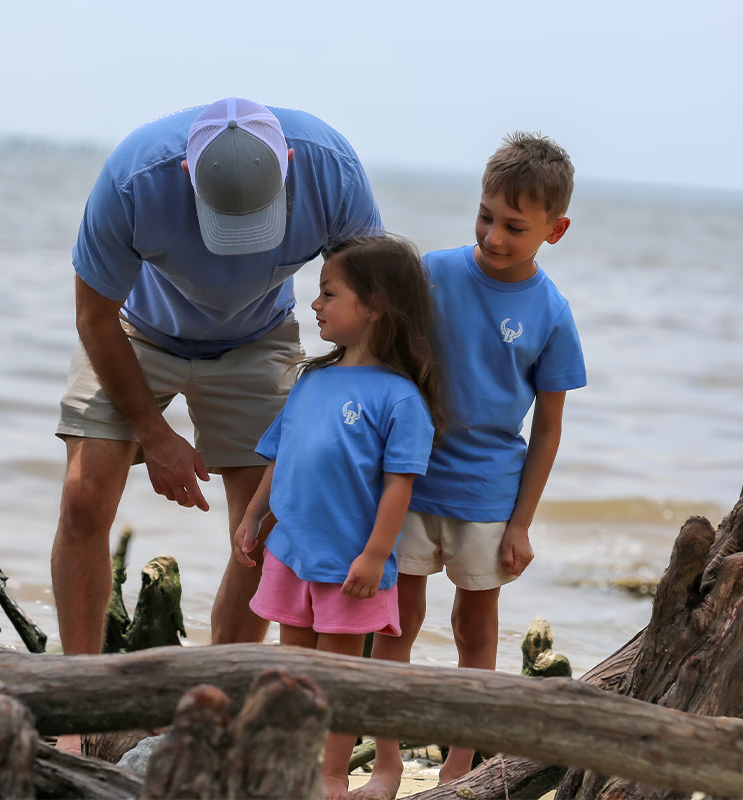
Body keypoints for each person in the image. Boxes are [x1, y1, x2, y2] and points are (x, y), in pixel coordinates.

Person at [51, 98, 381, 749]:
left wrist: (341, 408)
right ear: (187, 174)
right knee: (84, 497)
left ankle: (212, 711)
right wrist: (155, 434)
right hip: (135, 333)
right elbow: (93, 318)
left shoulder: (331, 169)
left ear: (287, 165)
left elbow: (370, 303)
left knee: (272, 519)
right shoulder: (133, 178)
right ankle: (74, 707)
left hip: (260, 339)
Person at [353, 133, 586, 799]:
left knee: (474, 630)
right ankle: (388, 763)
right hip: (411, 482)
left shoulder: (551, 313)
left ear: (555, 230)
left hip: (489, 494)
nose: (494, 235)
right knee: (394, 622)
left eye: (515, 226)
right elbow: (386, 363)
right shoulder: (431, 273)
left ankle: (461, 768)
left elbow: (547, 427)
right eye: (486, 216)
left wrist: (523, 523)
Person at [233, 235, 445, 800]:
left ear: (374, 305)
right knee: (292, 676)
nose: (315, 305)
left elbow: (401, 487)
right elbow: (283, 458)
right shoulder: (311, 381)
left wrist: (375, 555)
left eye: (329, 293)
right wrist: (255, 517)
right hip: (293, 553)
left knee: (339, 682)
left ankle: (330, 777)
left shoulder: (400, 399)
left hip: (350, 564)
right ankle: (293, 770)